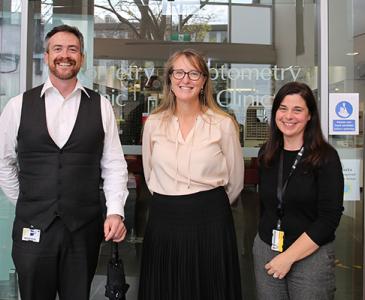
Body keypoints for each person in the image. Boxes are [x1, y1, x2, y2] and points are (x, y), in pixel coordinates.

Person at [0, 25, 129, 300]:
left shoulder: (101, 106)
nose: (65, 55)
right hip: (32, 229)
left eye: (72, 49)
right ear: (46, 56)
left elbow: (114, 165)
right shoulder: (17, 106)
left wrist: (115, 211)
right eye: (57, 49)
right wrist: (27, 200)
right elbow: (4, 162)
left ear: (81, 58)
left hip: (82, 231)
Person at [139, 49, 244, 300]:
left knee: (211, 289)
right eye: (179, 72)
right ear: (170, 79)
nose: (186, 79)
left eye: (194, 73)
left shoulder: (223, 124)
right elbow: (149, 173)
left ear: (204, 80)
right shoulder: (153, 123)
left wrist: (203, 205)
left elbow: (236, 181)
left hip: (211, 222)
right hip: (164, 219)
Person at [253, 81, 344, 299]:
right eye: (282, 108)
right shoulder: (267, 153)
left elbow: (329, 219)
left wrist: (288, 257)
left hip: (310, 255)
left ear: (310, 115)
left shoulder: (325, 157)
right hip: (267, 249)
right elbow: (266, 206)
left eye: (297, 110)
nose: (288, 116)